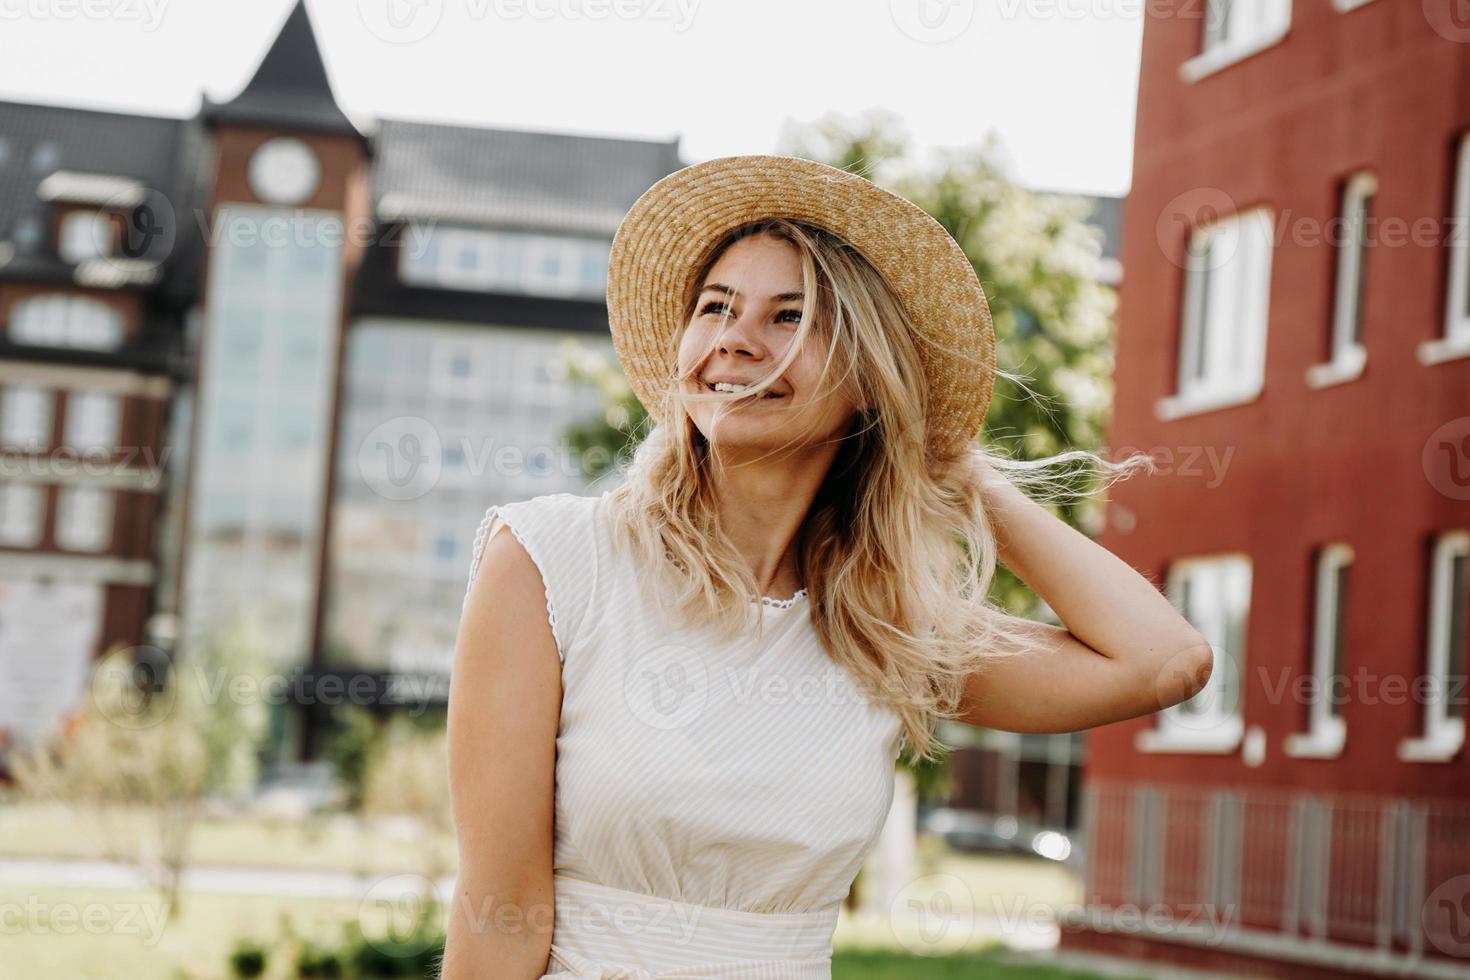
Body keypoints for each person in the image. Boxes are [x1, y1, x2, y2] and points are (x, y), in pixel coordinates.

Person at [442, 155, 1213, 978]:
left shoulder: (886, 629)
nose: (736, 337)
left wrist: (959, 472)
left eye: (789, 318)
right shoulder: (552, 562)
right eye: (716, 307)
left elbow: (1166, 662)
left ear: (869, 379)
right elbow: (499, 921)